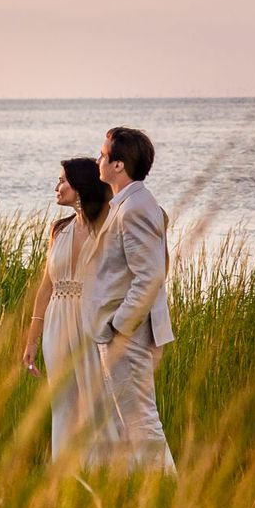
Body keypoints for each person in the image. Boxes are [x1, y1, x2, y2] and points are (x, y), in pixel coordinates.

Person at [84, 125, 176, 472]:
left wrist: (119, 326)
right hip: (126, 334)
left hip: (130, 335)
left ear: (119, 165)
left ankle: (167, 493)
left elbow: (150, 276)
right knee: (130, 423)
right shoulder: (129, 203)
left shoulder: (135, 207)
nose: (98, 161)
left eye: (103, 155)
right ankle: (147, 493)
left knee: (141, 422)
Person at [21, 157, 114, 461]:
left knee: (96, 400)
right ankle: (66, 473)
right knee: (63, 402)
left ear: (81, 185)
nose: (56, 187)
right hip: (56, 325)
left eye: (62, 180)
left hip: (91, 322)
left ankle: (104, 469)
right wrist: (32, 340)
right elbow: (45, 288)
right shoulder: (58, 230)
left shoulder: (108, 225)